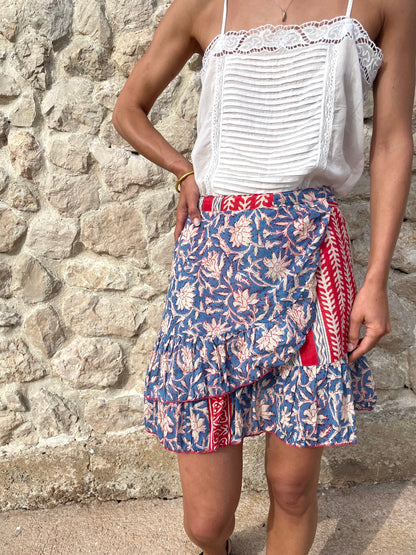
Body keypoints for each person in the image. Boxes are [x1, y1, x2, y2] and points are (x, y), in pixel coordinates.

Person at [112, 0, 416, 553]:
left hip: (311, 257)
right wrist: (183, 170)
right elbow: (128, 108)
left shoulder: (385, 5)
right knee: (207, 523)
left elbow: (393, 139)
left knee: (293, 487)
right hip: (212, 263)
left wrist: (376, 279)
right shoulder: (204, 6)